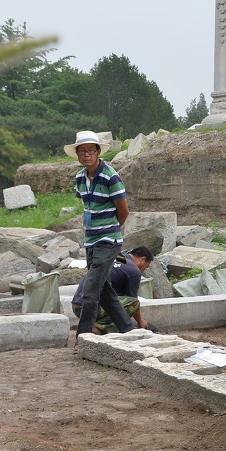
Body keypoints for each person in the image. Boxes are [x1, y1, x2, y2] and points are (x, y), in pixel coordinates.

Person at [68, 130, 137, 337]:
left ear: (98, 152)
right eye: (82, 151)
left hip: (108, 240)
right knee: (105, 290)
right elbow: (86, 204)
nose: (86, 155)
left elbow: (123, 210)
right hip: (91, 240)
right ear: (77, 154)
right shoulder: (80, 177)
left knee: (90, 291)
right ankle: (128, 329)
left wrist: (112, 229)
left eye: (90, 150)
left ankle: (83, 337)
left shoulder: (110, 177)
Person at [71, 245, 154, 333]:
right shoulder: (134, 271)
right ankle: (98, 328)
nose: (143, 270)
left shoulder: (118, 257)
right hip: (91, 307)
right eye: (146, 267)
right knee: (133, 303)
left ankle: (92, 325)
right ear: (142, 259)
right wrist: (140, 321)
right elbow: (133, 300)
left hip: (77, 305)